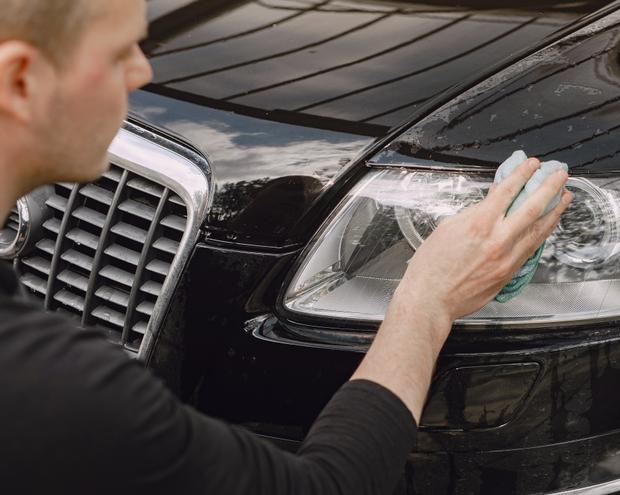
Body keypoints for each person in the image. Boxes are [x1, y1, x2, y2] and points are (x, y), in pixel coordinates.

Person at [0, 1, 572, 494]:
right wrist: (427, 299)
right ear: (21, 80)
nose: (142, 71)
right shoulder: (53, 386)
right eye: (120, 52)